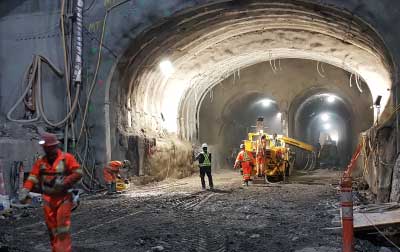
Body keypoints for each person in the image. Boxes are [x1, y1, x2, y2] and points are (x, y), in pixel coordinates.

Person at [19, 132, 82, 252]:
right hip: (48, 199)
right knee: (52, 229)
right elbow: (33, 176)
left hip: (63, 198)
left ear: (54, 146)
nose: (46, 150)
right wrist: (26, 189)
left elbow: (78, 172)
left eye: (48, 147)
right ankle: (56, 249)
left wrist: (65, 182)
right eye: (45, 148)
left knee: (62, 229)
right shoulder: (41, 162)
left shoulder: (66, 158)